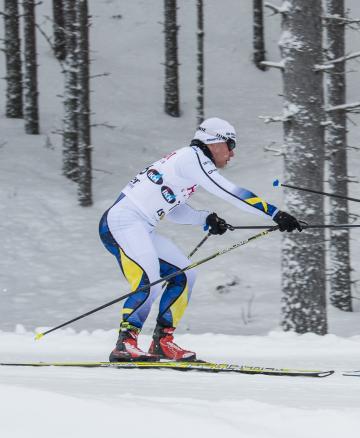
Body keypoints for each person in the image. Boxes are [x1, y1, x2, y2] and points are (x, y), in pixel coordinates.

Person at [99, 117, 303, 362]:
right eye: (231, 145)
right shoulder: (191, 157)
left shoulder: (190, 163)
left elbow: (174, 210)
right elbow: (230, 191)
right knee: (149, 279)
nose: (232, 153)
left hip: (142, 226)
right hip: (122, 222)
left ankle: (162, 341)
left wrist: (205, 218)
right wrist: (274, 213)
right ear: (215, 142)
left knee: (185, 274)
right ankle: (125, 343)